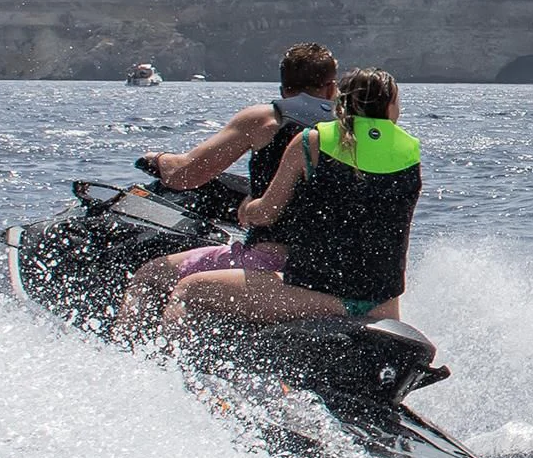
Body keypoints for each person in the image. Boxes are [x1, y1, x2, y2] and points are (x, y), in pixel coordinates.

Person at [168, 67, 421, 328]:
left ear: (340, 102)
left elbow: (266, 212)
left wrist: (248, 208)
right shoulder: (410, 151)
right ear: (391, 107)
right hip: (383, 305)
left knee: (188, 291)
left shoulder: (313, 140)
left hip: (317, 294)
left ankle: (163, 369)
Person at [113, 42, 339, 332]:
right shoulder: (351, 130)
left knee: (149, 277)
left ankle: (138, 367)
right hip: (335, 270)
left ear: (284, 88)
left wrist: (157, 160)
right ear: (332, 89)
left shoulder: (266, 119)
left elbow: (186, 175)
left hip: (271, 261)